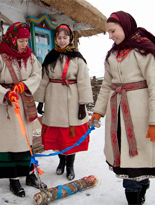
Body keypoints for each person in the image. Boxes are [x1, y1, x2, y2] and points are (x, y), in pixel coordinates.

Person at [91, 11, 155, 205]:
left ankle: (143, 187)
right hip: (117, 117)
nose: (110, 36)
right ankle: (134, 199)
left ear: (125, 26)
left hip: (140, 117)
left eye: (113, 31)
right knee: (126, 166)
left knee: (141, 162)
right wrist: (98, 111)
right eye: (108, 32)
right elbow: (106, 85)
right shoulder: (112, 55)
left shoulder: (144, 51)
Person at [0, 22, 47, 198]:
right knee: (9, 142)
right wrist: (6, 93)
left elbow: (37, 74)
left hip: (24, 102)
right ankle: (13, 179)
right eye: (21, 40)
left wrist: (25, 85)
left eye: (26, 40)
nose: (24, 44)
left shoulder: (30, 56)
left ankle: (29, 174)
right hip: (4, 107)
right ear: (12, 39)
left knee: (25, 140)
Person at [34, 24, 93, 181]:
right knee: (59, 136)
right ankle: (61, 162)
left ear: (70, 38)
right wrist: (40, 101)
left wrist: (83, 105)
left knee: (70, 136)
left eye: (65, 38)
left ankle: (70, 165)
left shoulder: (78, 58)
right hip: (53, 99)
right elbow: (44, 79)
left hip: (72, 98)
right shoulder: (50, 57)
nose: (62, 40)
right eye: (59, 38)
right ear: (55, 39)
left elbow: (84, 81)